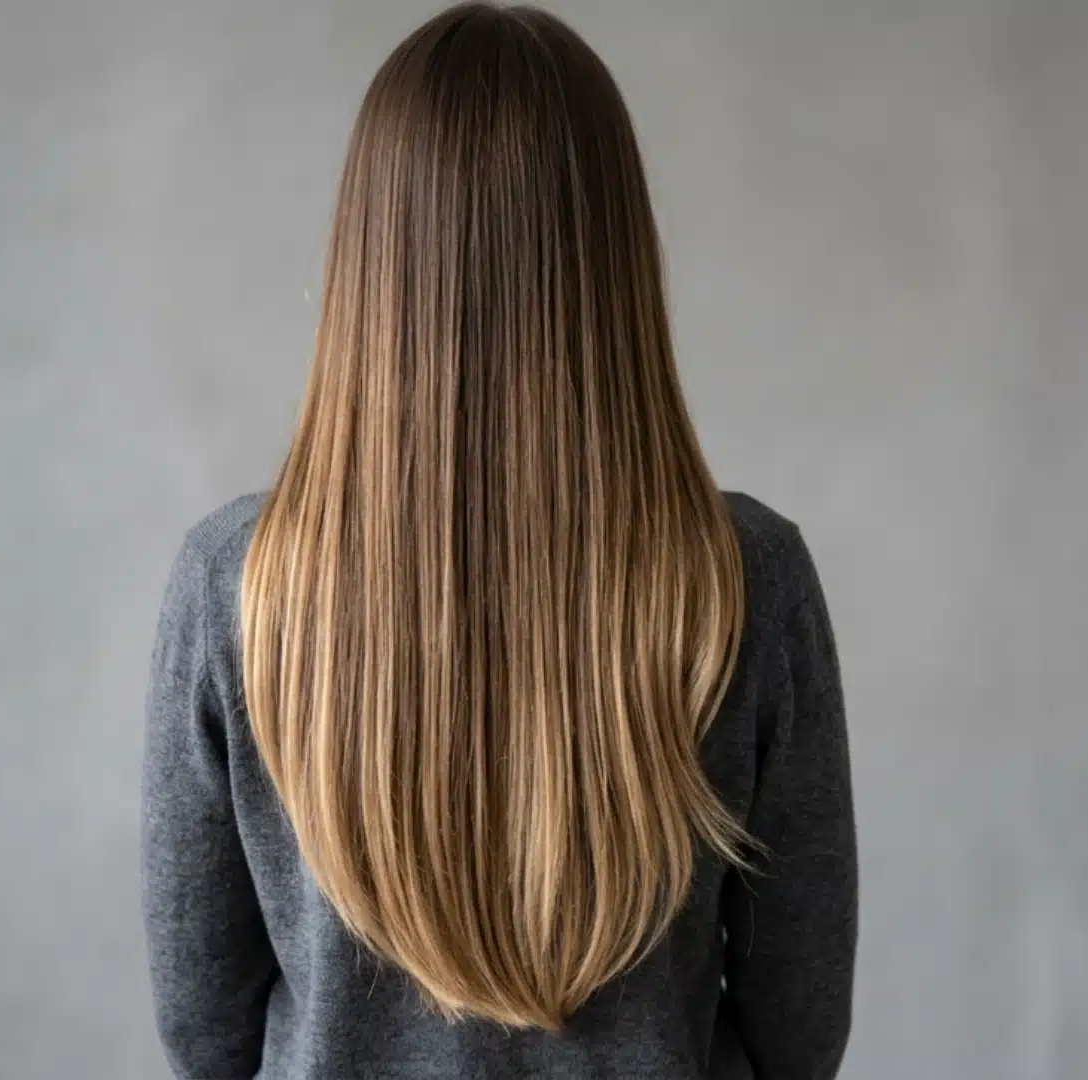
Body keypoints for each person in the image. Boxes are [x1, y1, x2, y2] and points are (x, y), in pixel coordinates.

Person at [141, 4, 856, 1077]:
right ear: (615, 258)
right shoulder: (746, 580)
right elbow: (797, 1029)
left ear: (368, 261)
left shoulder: (238, 584)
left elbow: (204, 1030)